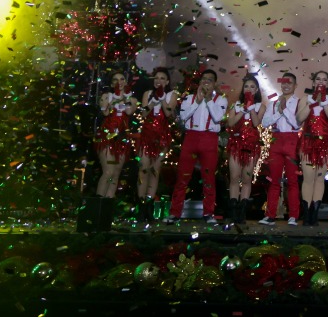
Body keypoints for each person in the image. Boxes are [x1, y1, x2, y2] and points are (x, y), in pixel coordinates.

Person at [168, 68, 228, 223]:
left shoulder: (221, 100)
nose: (206, 82)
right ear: (199, 82)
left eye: (209, 80)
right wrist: (198, 102)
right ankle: (175, 213)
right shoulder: (188, 98)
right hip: (191, 137)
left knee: (209, 179)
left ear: (214, 84)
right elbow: (183, 117)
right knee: (182, 177)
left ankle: (208, 213)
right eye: (204, 80)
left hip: (209, 138)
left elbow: (217, 118)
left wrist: (208, 100)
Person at [90, 70, 137, 230]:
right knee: (108, 172)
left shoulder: (132, 98)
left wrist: (125, 98)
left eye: (122, 79)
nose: (119, 82)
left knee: (116, 173)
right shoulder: (106, 95)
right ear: (112, 83)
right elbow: (104, 111)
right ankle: (96, 209)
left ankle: (106, 213)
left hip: (122, 137)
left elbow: (130, 112)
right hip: (107, 136)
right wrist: (112, 100)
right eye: (116, 80)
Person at [260, 72, 307, 226]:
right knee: (274, 180)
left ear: (295, 85)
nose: (286, 85)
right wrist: (279, 111)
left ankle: (293, 215)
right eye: (284, 82)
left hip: (292, 140)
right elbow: (265, 123)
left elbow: (297, 124)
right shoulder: (273, 103)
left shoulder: (299, 102)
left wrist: (284, 109)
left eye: (290, 83)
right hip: (276, 140)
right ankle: (270, 215)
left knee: (292, 181)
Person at [136, 67, 175, 226]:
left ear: (167, 81)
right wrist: (153, 100)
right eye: (156, 78)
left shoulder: (172, 95)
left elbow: (169, 114)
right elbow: (144, 114)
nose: (158, 81)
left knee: (154, 170)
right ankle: (141, 207)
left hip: (162, 137)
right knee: (143, 169)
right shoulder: (147, 94)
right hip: (147, 135)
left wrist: (163, 97)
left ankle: (150, 206)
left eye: (162, 78)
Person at [299, 70, 328, 226]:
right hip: (308, 143)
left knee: (319, 179)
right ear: (313, 83)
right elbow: (298, 119)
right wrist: (311, 104)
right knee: (308, 178)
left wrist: (323, 103)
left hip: (324, 144)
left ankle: (314, 214)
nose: (321, 82)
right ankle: (307, 213)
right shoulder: (305, 99)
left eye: (324, 79)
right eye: (318, 79)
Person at [226, 74, 265, 225]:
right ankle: (233, 210)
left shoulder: (260, 106)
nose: (249, 89)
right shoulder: (235, 105)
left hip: (252, 146)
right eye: (246, 86)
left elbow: (256, 123)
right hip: (236, 144)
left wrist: (251, 108)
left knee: (247, 178)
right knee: (234, 177)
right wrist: (243, 109)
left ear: (256, 90)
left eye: (252, 87)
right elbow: (231, 123)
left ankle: (242, 212)